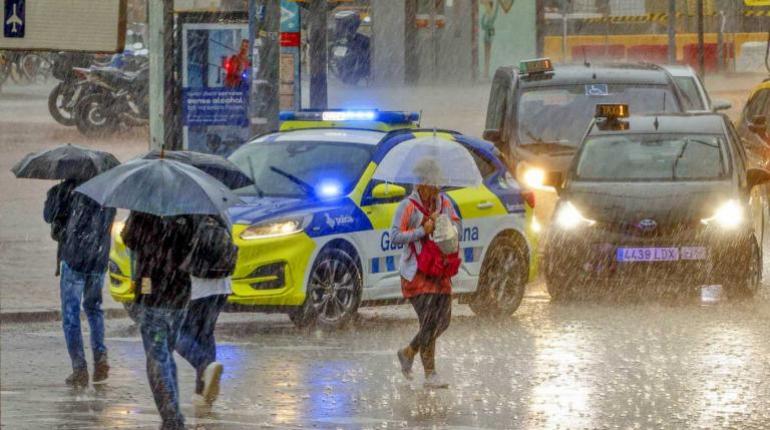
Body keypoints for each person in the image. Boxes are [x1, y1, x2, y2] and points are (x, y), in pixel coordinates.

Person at [391, 159, 461, 389]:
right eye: (433, 183)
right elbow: (395, 236)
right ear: (421, 183)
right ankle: (430, 374)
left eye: (438, 183)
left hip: (439, 270)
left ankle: (408, 351)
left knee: (443, 321)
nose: (437, 188)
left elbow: (455, 228)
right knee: (429, 320)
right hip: (416, 273)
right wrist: (422, 230)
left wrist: (441, 224)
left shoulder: (445, 203)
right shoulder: (407, 207)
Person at [122, 212, 196, 430]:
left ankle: (172, 418)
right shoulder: (188, 211)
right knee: (166, 356)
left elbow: (128, 239)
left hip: (154, 295)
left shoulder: (145, 211)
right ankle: (172, 413)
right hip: (180, 296)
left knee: (157, 359)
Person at [44, 179, 116, 388]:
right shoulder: (105, 191)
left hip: (74, 258)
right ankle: (100, 356)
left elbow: (48, 216)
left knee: (70, 314)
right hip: (98, 261)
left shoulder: (66, 190)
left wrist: (57, 192)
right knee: (94, 309)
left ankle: (79, 368)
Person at [175, 214, 235, 407]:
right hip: (222, 284)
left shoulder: (185, 213)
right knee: (205, 334)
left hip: (196, 285)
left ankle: (205, 367)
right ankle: (202, 391)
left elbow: (177, 248)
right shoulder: (221, 211)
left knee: (174, 333)